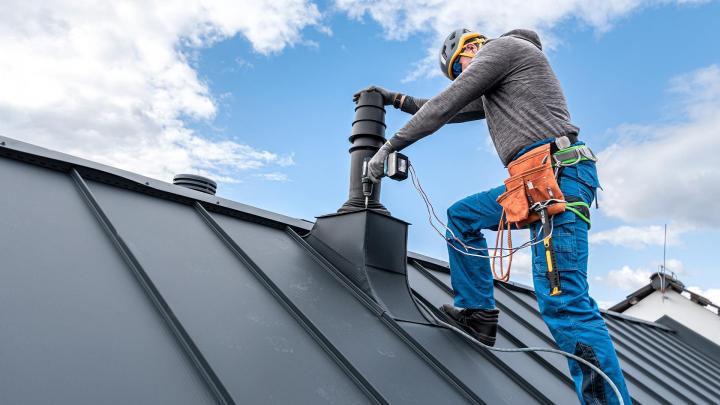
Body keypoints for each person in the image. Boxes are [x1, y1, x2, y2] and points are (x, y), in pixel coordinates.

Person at [355, 28, 631, 405]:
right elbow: (444, 106)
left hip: (559, 179)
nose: (464, 78)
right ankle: (478, 315)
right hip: (533, 182)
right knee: (463, 217)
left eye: (460, 71)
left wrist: (388, 147)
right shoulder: (502, 76)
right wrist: (394, 99)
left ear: (468, 53)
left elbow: (443, 105)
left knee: (564, 302)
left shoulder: (502, 48)